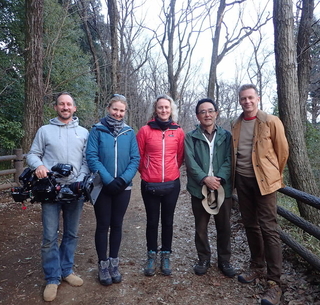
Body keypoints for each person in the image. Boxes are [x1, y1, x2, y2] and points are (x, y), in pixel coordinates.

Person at [26, 92, 89, 302]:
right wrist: (40, 166)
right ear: (55, 107)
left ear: (74, 108)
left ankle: (66, 270)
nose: (65, 107)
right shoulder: (45, 131)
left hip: (75, 190)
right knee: (50, 236)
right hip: (50, 190)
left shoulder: (83, 132)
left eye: (69, 104)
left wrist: (80, 180)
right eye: (61, 104)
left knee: (71, 234)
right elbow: (32, 154)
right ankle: (52, 277)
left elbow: (87, 160)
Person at [232, 84, 289, 305]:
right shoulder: (236, 124)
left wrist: (273, 175)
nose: (247, 101)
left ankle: (274, 282)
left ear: (258, 98)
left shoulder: (270, 121)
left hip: (265, 182)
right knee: (250, 224)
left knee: (269, 228)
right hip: (242, 180)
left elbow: (282, 152)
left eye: (250, 98)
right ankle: (257, 266)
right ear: (240, 101)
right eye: (243, 98)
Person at [86, 94, 140, 286]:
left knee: (117, 224)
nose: (118, 113)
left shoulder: (129, 133)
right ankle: (102, 264)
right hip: (102, 186)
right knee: (103, 225)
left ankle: (114, 263)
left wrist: (124, 179)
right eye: (115, 109)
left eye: (121, 110)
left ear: (125, 112)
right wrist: (108, 180)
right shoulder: (97, 130)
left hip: (123, 188)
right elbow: (91, 156)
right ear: (109, 108)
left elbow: (135, 158)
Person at [184, 98, 235, 278]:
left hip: (222, 187)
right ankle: (203, 259)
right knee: (201, 227)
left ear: (216, 113)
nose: (207, 114)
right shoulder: (190, 137)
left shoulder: (227, 136)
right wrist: (205, 178)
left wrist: (219, 178)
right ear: (198, 116)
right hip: (199, 189)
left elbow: (230, 159)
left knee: (224, 226)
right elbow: (189, 161)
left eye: (210, 110)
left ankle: (224, 260)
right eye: (203, 111)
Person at [136, 94, 184, 276]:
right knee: (152, 221)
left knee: (168, 221)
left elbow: (179, 157)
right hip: (150, 184)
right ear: (155, 110)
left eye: (167, 107)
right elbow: (139, 156)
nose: (164, 110)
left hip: (172, 183)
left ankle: (166, 255)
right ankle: (151, 255)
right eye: (160, 107)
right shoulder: (145, 131)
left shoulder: (178, 131)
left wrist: (170, 172)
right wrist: (147, 172)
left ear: (171, 110)